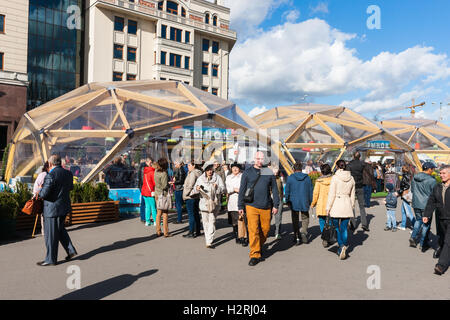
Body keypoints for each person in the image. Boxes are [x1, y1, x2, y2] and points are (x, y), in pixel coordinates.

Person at [238, 151, 279, 266]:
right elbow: (242, 189)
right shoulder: (247, 172)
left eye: (261, 159)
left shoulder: (268, 172)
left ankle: (259, 245)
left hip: (266, 205)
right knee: (253, 230)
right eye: (257, 158)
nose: (259, 161)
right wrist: (240, 206)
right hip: (251, 205)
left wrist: (276, 204)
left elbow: (275, 190)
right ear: (254, 159)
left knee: (265, 230)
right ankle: (255, 254)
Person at [37, 154, 77, 266]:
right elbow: (70, 188)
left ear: (50, 163)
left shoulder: (51, 175)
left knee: (51, 235)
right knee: (59, 230)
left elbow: (44, 194)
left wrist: (40, 191)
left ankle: (50, 259)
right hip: (64, 207)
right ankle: (71, 250)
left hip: (52, 209)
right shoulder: (68, 173)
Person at [326, 160, 355, 260]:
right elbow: (352, 195)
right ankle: (344, 246)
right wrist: (352, 206)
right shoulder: (351, 178)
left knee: (336, 228)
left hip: (336, 205)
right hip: (346, 204)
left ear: (337, 167)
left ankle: (341, 245)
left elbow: (331, 194)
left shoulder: (335, 178)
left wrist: (328, 207)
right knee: (344, 228)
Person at [423, 165, 450, 275]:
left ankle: (441, 265)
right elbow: (431, 201)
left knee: (448, 241)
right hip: (441, 218)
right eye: (440, 173)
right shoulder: (437, 187)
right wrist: (427, 214)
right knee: (443, 238)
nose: (441, 175)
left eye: (444, 173)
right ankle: (442, 250)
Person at [192, 161, 225, 248]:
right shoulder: (200, 179)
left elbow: (223, 189)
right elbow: (195, 190)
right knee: (206, 223)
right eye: (208, 170)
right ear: (205, 171)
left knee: (212, 221)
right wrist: (197, 188)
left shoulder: (217, 177)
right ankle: (208, 239)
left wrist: (217, 188)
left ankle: (209, 240)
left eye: (211, 169)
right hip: (204, 203)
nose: (210, 171)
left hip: (214, 203)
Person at [409, 162, 437, 251]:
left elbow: (412, 190)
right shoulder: (432, 180)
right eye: (433, 169)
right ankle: (422, 243)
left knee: (418, 220)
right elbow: (435, 194)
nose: (433, 170)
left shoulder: (415, 177)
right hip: (427, 205)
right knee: (426, 224)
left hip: (416, 203)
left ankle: (413, 237)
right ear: (429, 169)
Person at [285, 162, 313, 245]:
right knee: (305, 217)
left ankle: (296, 236)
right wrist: (310, 201)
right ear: (301, 169)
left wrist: (287, 200)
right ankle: (304, 232)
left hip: (294, 202)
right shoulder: (307, 178)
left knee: (295, 219)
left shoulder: (290, 178)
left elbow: (287, 190)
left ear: (294, 169)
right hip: (304, 201)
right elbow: (310, 190)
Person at [226, 162, 248, 246]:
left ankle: (244, 237)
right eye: (233, 168)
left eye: (237, 168)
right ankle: (237, 236)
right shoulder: (228, 177)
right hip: (232, 201)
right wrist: (234, 189)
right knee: (234, 221)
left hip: (242, 200)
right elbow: (227, 189)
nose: (235, 169)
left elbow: (245, 186)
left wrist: (241, 190)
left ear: (239, 169)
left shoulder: (243, 176)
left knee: (243, 220)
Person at [346, 152, 369, 231]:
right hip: (360, 185)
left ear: (353, 156)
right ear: (360, 157)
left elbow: (348, 175)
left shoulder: (349, 165)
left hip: (352, 186)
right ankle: (364, 224)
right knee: (361, 206)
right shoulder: (362, 164)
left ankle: (353, 224)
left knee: (352, 205)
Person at [311, 163, 332, 247]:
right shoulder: (333, 179)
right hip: (331, 204)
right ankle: (330, 236)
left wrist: (313, 204)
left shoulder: (319, 181)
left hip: (321, 204)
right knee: (330, 222)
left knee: (322, 221)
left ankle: (325, 238)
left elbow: (316, 194)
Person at [182, 161, 203, 238]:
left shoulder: (193, 173)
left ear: (194, 166)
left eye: (189, 165)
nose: (188, 166)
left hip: (190, 196)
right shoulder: (199, 172)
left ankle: (191, 231)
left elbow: (190, 185)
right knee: (196, 214)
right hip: (196, 196)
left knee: (191, 215)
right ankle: (197, 230)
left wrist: (185, 194)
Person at [154, 158, 171, 238]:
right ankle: (166, 232)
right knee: (165, 214)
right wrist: (169, 184)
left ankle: (158, 231)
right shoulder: (164, 173)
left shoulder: (156, 172)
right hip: (163, 195)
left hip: (157, 194)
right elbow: (164, 186)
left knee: (158, 214)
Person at [33, 161, 49, 237]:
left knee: (43, 214)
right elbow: (38, 186)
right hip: (42, 196)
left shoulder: (44, 174)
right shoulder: (44, 174)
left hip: (41, 195)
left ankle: (45, 231)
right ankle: (45, 231)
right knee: (44, 214)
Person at [398, 165, 415, 231]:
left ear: (403, 169)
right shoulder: (409, 175)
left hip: (405, 195)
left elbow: (405, 186)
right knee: (403, 211)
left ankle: (415, 227)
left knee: (408, 212)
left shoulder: (405, 176)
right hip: (407, 194)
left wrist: (400, 192)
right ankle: (403, 225)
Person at [141, 160, 157, 227]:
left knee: (147, 207)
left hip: (144, 191)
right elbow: (154, 183)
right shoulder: (152, 172)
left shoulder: (145, 171)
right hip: (150, 191)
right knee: (153, 207)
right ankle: (156, 221)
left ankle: (147, 221)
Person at [271, 165, 284, 240]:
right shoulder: (268, 178)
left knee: (278, 216)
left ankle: (277, 232)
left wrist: (283, 198)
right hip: (269, 199)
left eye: (277, 170)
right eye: (274, 170)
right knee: (267, 217)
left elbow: (282, 189)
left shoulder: (280, 179)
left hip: (279, 199)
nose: (276, 172)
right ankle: (265, 231)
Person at [137, 158, 152, 223]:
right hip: (144, 187)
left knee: (145, 202)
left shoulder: (142, 167)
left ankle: (145, 217)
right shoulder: (144, 168)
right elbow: (143, 179)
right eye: (150, 163)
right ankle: (144, 217)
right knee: (144, 202)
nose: (151, 164)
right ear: (147, 162)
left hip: (143, 186)